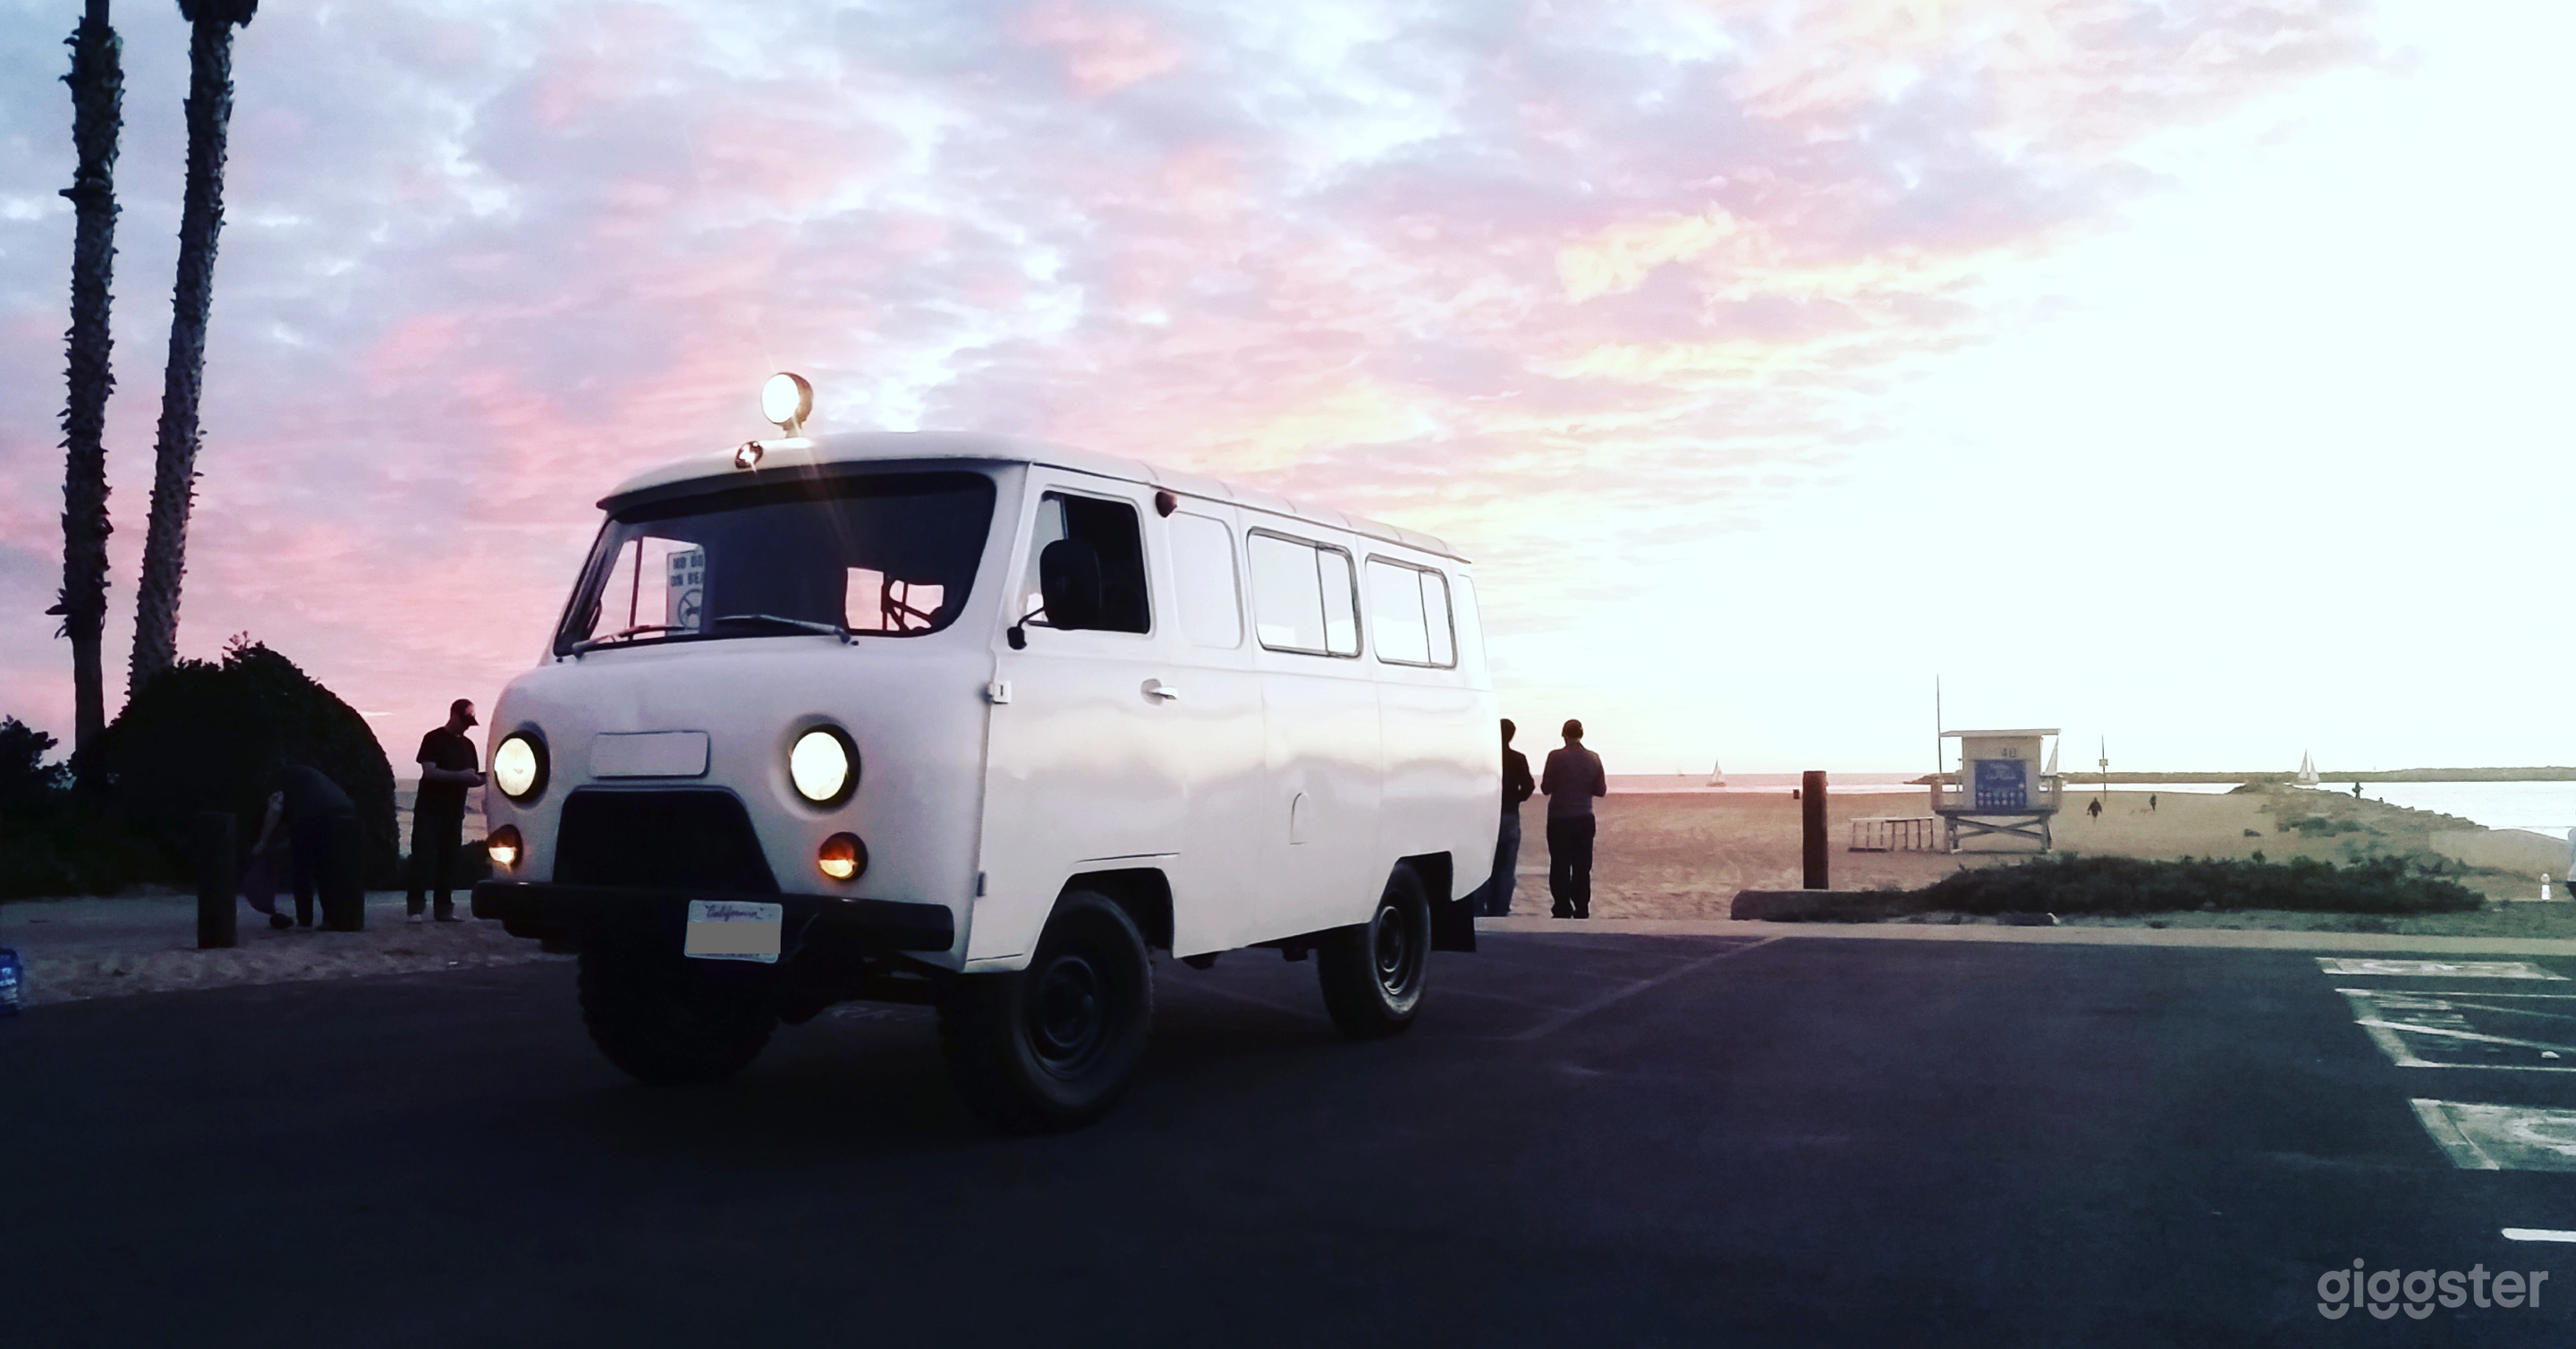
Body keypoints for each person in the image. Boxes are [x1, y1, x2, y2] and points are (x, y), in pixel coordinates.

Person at [254, 762, 357, 929]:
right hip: (345, 811)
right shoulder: (305, 776)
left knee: (302, 869)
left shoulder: (278, 780)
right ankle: (332, 918)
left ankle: (305, 919)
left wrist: (263, 841)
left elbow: (275, 808)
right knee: (329, 868)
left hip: (313, 815)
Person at [409, 699, 486, 923]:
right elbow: (430, 772)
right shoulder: (432, 739)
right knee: (422, 858)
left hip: (454, 812)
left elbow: (470, 778)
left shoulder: (468, 746)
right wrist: (460, 776)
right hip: (429, 810)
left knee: (448, 860)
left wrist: (484, 779)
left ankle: (444, 909)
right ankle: (415, 909)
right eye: (464, 721)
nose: (466, 726)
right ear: (453, 715)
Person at [1540, 718, 1606, 919]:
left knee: (1559, 863)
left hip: (1560, 817)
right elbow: (1600, 790)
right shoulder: (1594, 758)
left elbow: (1545, 788)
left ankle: (1562, 905)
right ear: (1581, 734)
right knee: (1582, 865)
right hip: (1584, 816)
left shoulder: (1555, 757)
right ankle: (1582, 906)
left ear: (1563, 734)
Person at [1480, 719, 1536, 916]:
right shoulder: (1518, 758)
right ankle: (1501, 905)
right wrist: (1516, 799)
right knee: (1506, 865)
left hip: (1487, 815)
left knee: (1484, 862)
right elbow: (1529, 785)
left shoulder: (1486, 757)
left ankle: (1481, 904)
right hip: (1510, 814)